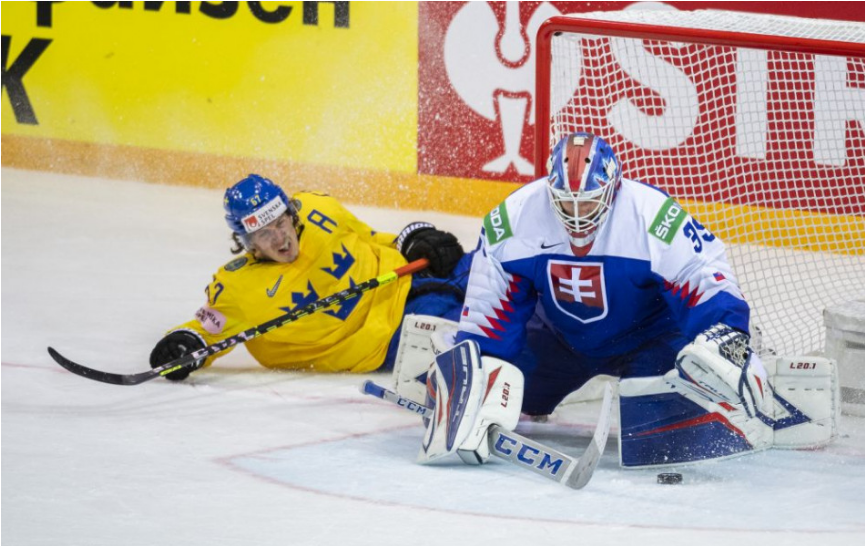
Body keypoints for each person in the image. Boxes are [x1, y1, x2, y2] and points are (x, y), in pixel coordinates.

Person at [409, 132, 837, 468]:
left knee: (660, 437)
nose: (578, 215)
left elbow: (700, 275)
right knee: (511, 398)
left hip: (650, 339)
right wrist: (477, 369)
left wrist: (724, 333)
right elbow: (491, 306)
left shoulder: (651, 215)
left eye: (590, 201)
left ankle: (750, 372)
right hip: (560, 338)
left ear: (613, 189)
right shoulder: (514, 216)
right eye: (566, 203)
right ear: (548, 190)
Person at [149, 174, 471, 380]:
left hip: (412, 279)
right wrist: (184, 343)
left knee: (500, 270)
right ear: (246, 242)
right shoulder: (238, 289)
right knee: (480, 332)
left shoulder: (320, 210)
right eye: (264, 234)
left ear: (291, 213)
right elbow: (206, 332)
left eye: (281, 223)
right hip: (390, 335)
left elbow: (371, 237)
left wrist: (412, 240)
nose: (280, 239)